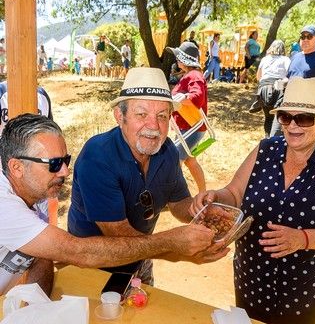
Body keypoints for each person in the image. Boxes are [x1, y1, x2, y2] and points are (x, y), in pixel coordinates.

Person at [190, 77, 315, 324]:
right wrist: (216, 195)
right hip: (252, 279)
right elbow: (234, 192)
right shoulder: (265, 149)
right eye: (286, 115)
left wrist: (305, 238)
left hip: (302, 290)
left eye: (305, 118)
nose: (293, 124)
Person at [0, 113, 227, 298]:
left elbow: (42, 254)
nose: (65, 172)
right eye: (54, 164)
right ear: (17, 167)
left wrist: (35, 310)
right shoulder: (5, 206)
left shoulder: (33, 192)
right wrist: (175, 247)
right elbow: (79, 252)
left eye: (65, 160)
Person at [68, 67, 228, 290]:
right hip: (93, 269)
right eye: (141, 114)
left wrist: (200, 211)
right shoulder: (97, 157)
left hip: (142, 255)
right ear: (119, 116)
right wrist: (179, 250)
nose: (153, 126)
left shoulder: (167, 151)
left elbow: (178, 203)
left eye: (162, 116)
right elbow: (119, 238)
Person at [166, 42, 207, 193]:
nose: (176, 60)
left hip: (191, 127)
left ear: (184, 59)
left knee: (175, 161)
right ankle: (203, 192)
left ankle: (175, 196)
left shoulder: (194, 75)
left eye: (178, 57)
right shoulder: (189, 75)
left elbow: (198, 97)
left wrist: (182, 96)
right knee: (190, 161)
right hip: (188, 127)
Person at [270, 24, 315, 137]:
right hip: (288, 106)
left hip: (310, 111)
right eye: (303, 36)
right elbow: (290, 77)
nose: (305, 39)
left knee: (306, 143)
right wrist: (283, 82)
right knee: (276, 137)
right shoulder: (295, 57)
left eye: (309, 36)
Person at [248, 40, 290, 136]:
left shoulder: (265, 59)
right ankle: (273, 141)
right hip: (278, 88)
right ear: (283, 49)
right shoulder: (285, 59)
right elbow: (289, 74)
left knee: (268, 117)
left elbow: (259, 77)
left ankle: (267, 141)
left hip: (263, 88)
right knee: (277, 117)